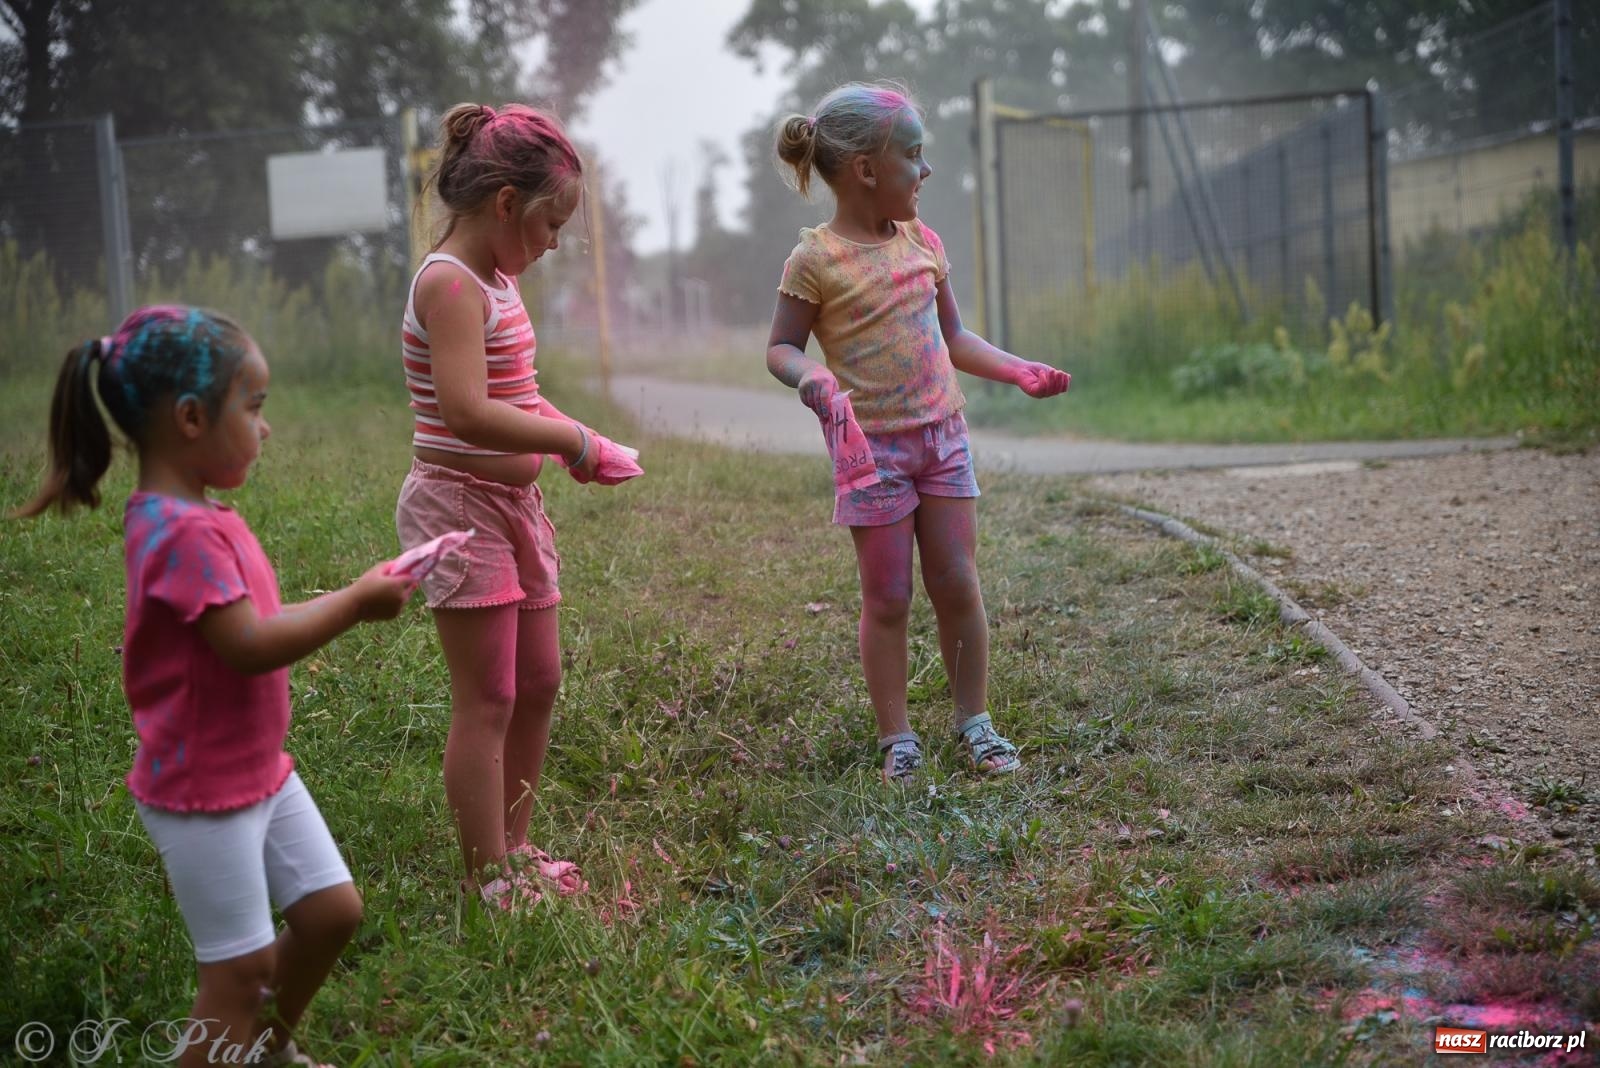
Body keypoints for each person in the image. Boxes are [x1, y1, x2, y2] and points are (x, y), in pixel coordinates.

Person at [17, 306, 418, 1068]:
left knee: (332, 913)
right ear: (192, 418)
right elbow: (248, 647)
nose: (265, 429)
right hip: (203, 790)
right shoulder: (181, 532)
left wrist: (352, 593)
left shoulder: (194, 516)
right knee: (240, 972)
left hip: (255, 770)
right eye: (255, 407)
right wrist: (357, 605)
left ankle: (265, 1051)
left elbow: (254, 620)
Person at [767, 82, 1072, 784]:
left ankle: (976, 722)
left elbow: (955, 336)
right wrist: (808, 379)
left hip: (942, 440)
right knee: (889, 599)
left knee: (958, 583)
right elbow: (780, 347)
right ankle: (896, 737)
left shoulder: (923, 243)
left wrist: (1017, 369)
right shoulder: (813, 259)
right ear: (866, 170)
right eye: (913, 155)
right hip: (869, 453)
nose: (924, 170)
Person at [396, 102, 623, 910]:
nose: (555, 242)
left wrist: (569, 442)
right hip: (460, 507)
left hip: (513, 503)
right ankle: (486, 874)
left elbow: (516, 394)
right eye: (550, 223)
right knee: (487, 695)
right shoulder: (450, 284)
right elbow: (464, 411)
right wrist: (573, 441)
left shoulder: (495, 279)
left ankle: (517, 848)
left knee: (539, 678)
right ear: (502, 204)